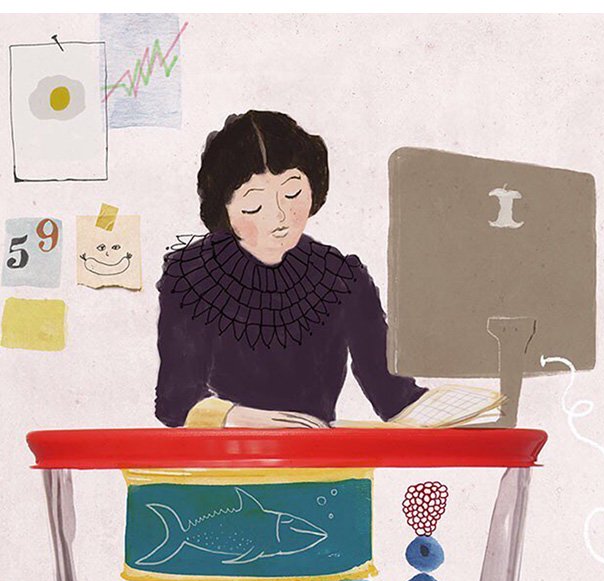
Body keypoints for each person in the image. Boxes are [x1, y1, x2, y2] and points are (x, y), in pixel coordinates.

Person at [154, 110, 427, 429]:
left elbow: (394, 397)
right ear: (224, 208)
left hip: (320, 464)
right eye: (254, 204)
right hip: (222, 462)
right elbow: (175, 402)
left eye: (292, 193)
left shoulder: (342, 276)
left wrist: (451, 410)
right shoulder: (190, 273)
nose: (279, 216)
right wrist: (248, 420)